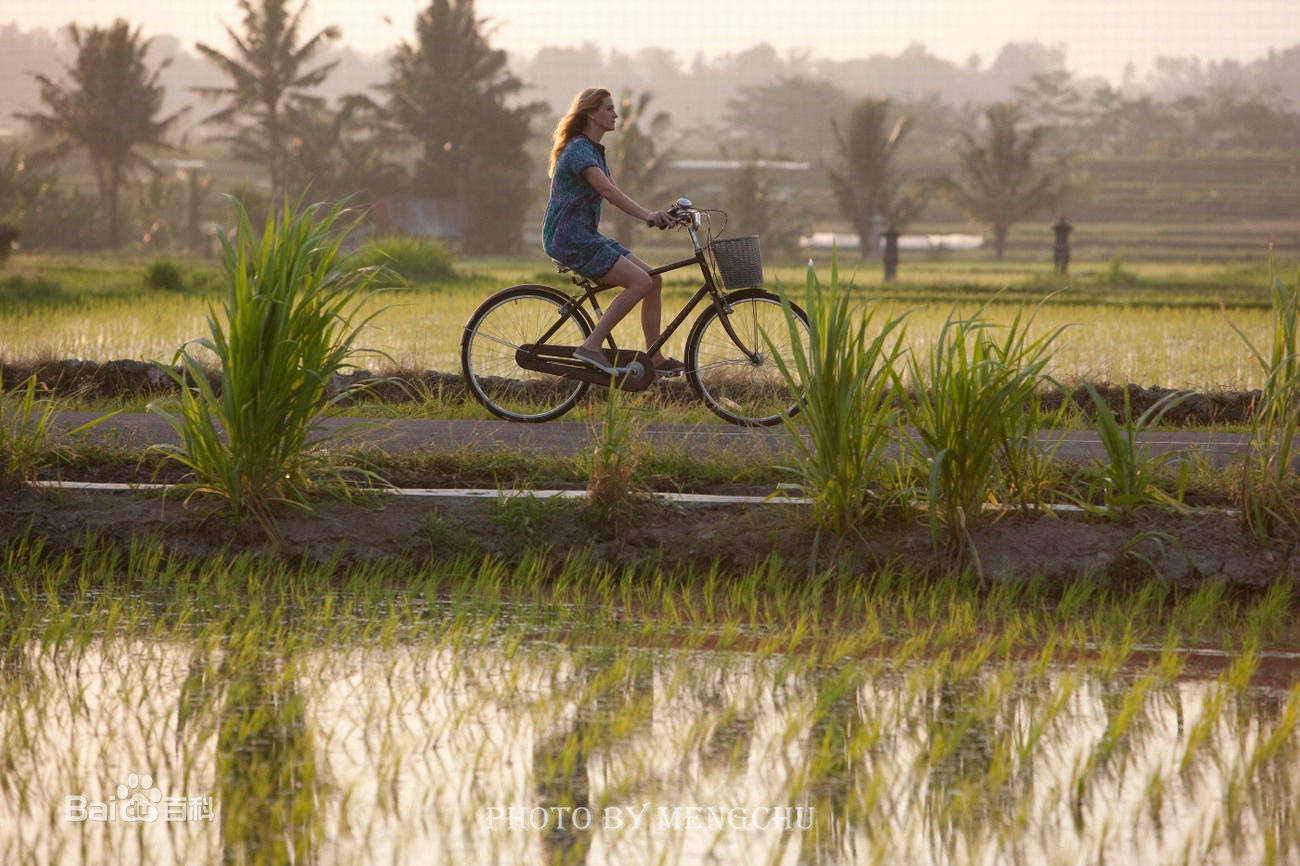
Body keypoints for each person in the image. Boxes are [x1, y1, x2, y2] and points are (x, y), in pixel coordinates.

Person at [542, 87, 684, 375]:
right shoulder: (579, 148)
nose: (615, 113)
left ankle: (653, 358)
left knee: (653, 280)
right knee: (640, 283)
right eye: (608, 108)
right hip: (570, 238)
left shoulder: (593, 150)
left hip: (585, 236)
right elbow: (606, 190)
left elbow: (614, 190)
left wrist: (659, 215)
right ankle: (591, 347)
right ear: (591, 113)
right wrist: (647, 216)